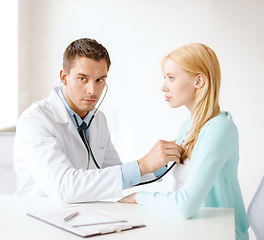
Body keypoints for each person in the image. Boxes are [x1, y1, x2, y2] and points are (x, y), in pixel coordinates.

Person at [13, 38, 182, 203]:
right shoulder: (35, 120)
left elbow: (114, 173)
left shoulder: (97, 119)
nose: (92, 91)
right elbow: (64, 187)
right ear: (64, 77)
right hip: (39, 218)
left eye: (99, 80)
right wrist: (143, 164)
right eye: (83, 79)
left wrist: (163, 162)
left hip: (82, 218)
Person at [119, 43, 249, 240]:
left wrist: (139, 198)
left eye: (171, 78)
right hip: (193, 231)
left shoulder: (220, 129)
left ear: (198, 81)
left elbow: (184, 205)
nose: (163, 86)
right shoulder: (187, 128)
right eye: (165, 78)